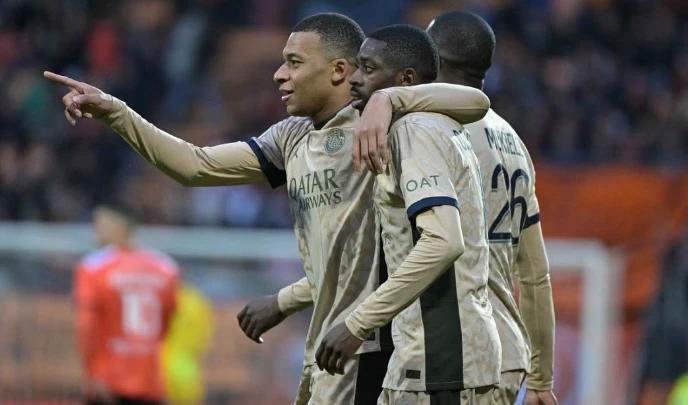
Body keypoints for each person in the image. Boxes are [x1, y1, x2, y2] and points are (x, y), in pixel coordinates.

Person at [46, 13, 490, 405]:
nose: (279, 74)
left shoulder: (384, 125)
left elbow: (475, 101)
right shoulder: (291, 136)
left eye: (294, 63)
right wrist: (115, 112)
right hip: (328, 340)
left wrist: (389, 100)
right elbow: (194, 166)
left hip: (375, 346)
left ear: (339, 70)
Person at [350, 11, 558, 405]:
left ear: (433, 63)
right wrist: (542, 378)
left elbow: (440, 242)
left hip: (453, 350)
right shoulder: (513, 140)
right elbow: (535, 273)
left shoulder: (433, 130)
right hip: (508, 353)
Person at [317, 24, 501, 405]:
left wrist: (358, 323)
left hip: (439, 364)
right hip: (441, 359)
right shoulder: (440, 122)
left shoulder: (413, 130)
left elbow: (443, 241)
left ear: (406, 79)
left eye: (367, 68)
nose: (353, 78)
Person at [73, 202, 180, 405]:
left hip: (108, 382)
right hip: (150, 381)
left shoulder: (93, 267)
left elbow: (86, 326)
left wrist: (92, 374)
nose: (94, 231)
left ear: (119, 225)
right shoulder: (166, 268)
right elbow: (167, 324)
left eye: (98, 224)